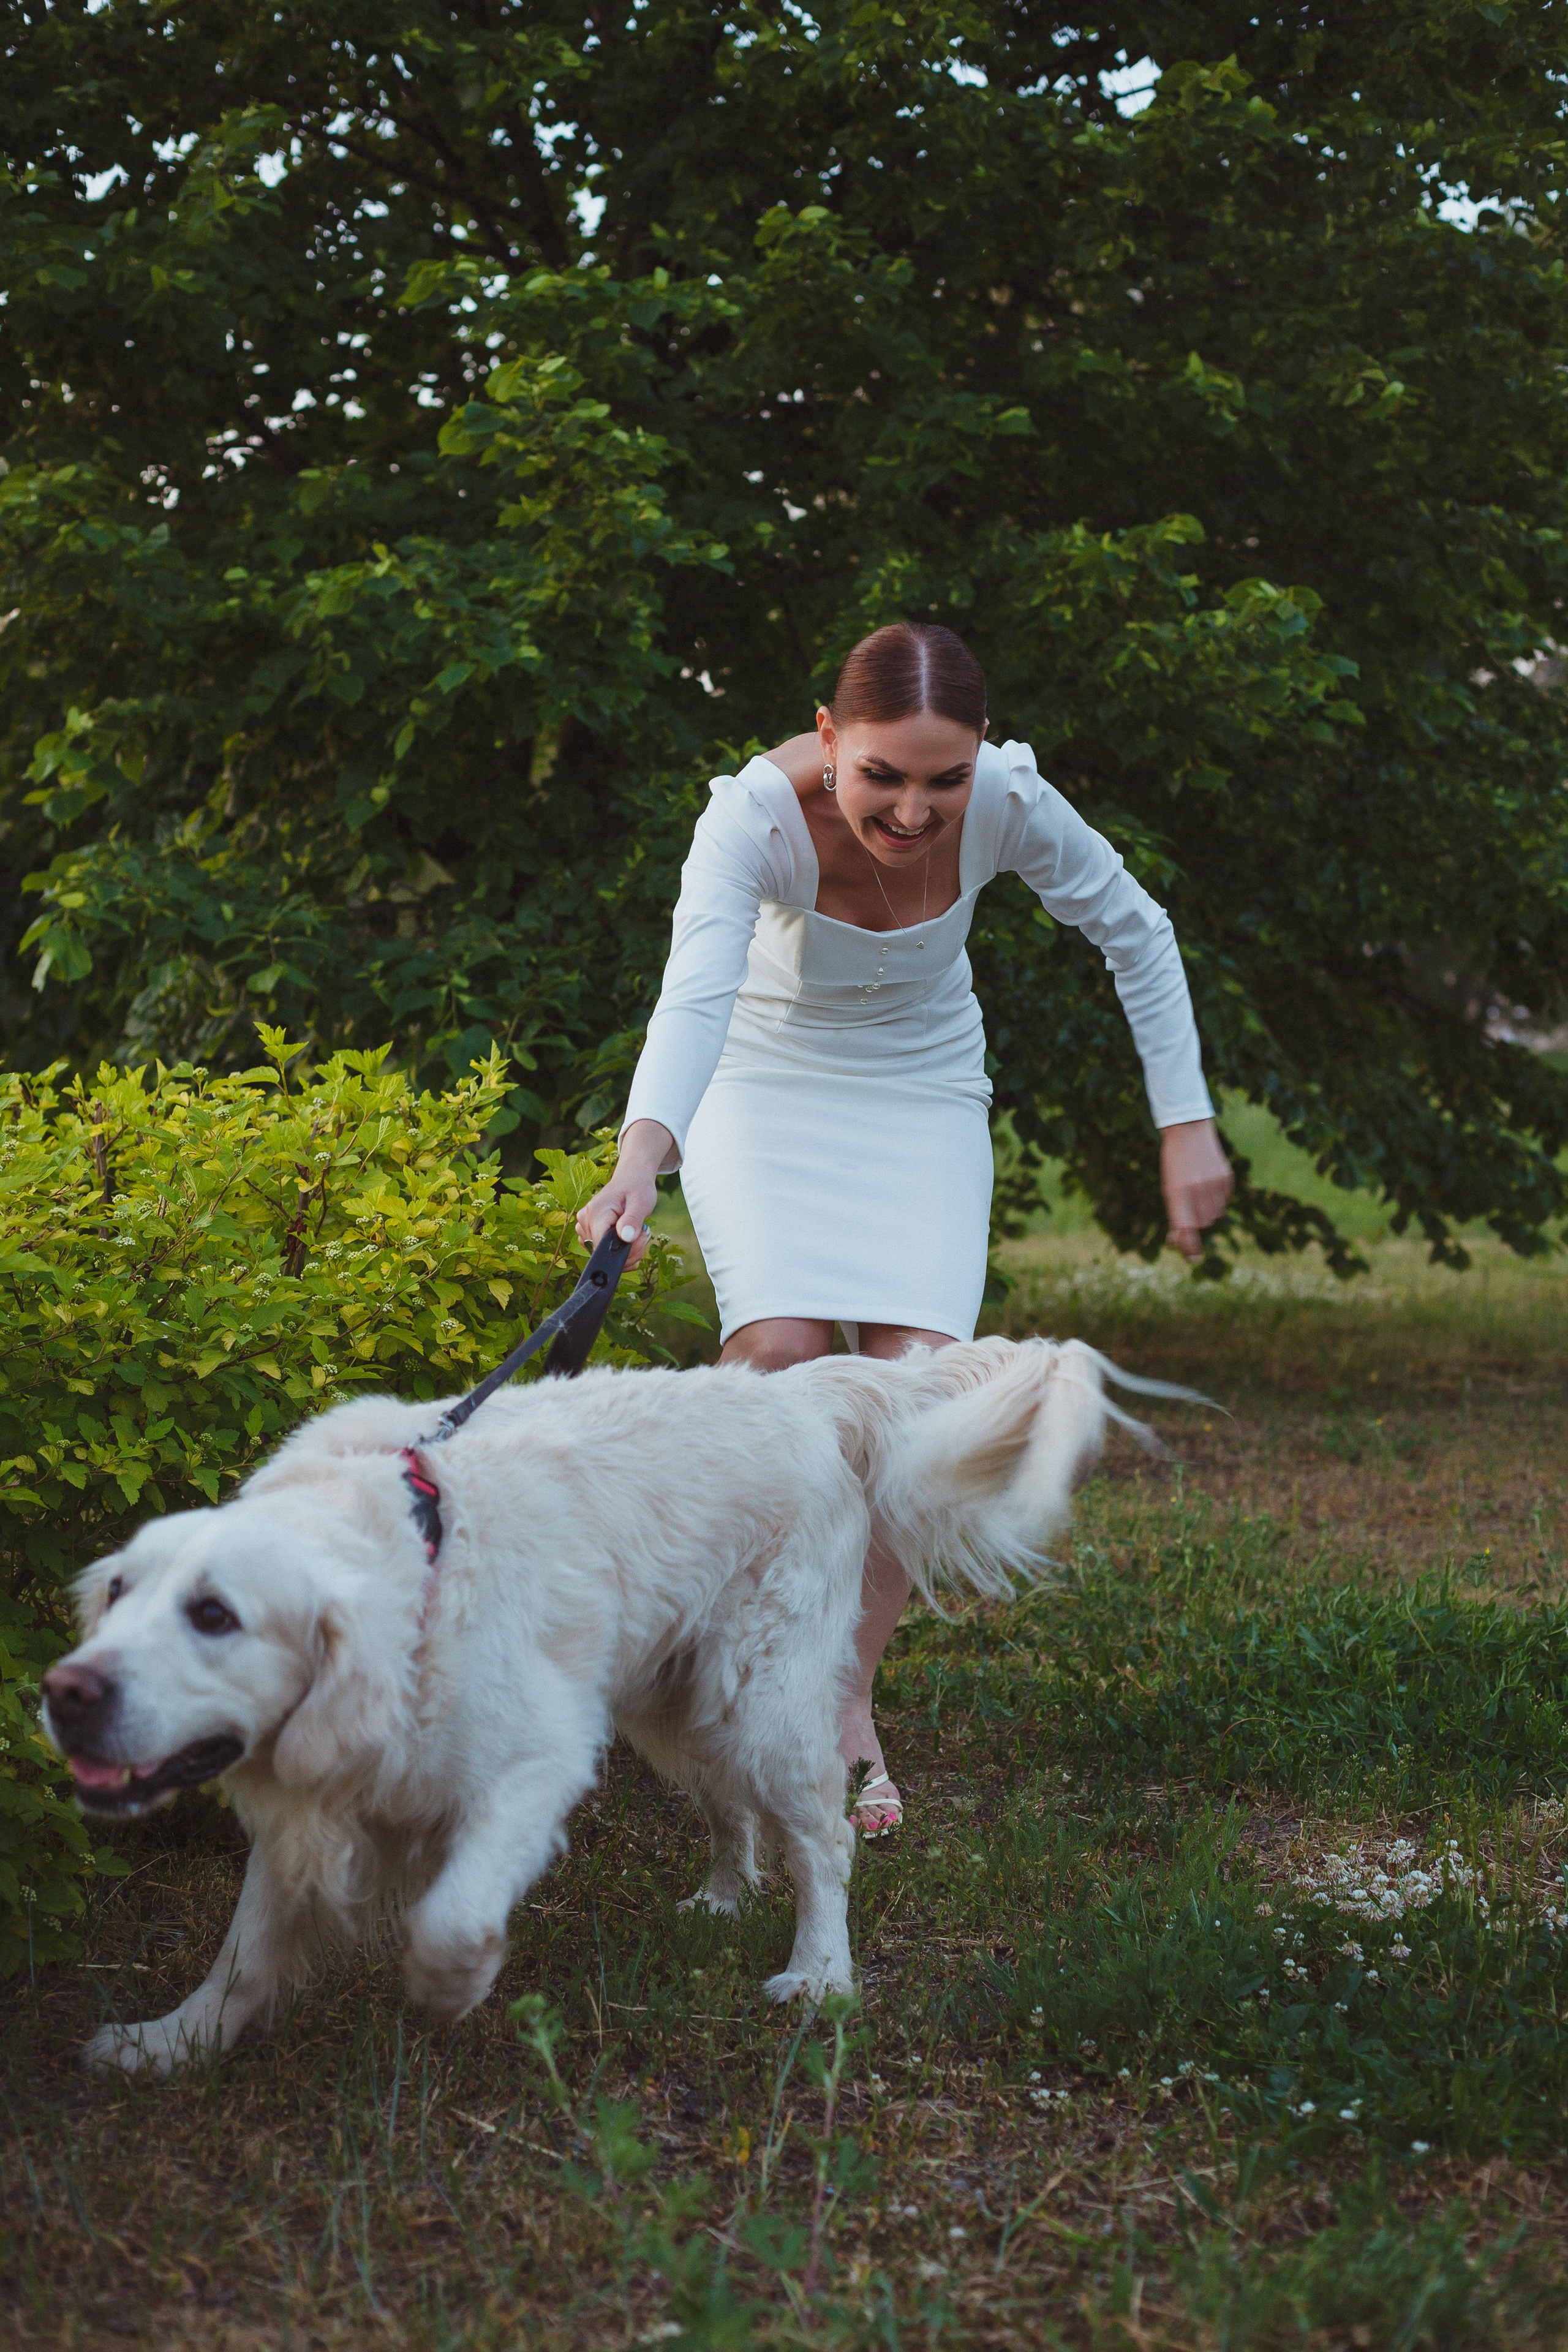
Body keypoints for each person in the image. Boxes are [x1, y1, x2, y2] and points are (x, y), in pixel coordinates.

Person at [578, 622, 1232, 1839]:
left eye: (945, 778)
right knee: (774, 1355)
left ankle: (837, 1696)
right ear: (829, 739)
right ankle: (718, 1647)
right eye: (881, 774)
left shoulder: (1012, 803)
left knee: (913, 1396)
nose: (914, 810)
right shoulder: (750, 821)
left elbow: (1137, 933)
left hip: (921, 1093)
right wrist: (639, 1160)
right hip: (764, 1089)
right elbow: (694, 995)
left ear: (978, 756)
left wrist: (1182, 1120)